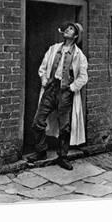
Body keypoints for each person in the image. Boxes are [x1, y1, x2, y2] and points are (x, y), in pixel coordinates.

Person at [28, 22, 88, 170]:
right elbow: (42, 67)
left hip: (65, 92)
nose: (67, 30)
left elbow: (83, 77)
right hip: (51, 89)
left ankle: (63, 156)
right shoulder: (54, 49)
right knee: (38, 121)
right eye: (67, 28)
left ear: (75, 36)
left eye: (71, 29)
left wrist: (71, 88)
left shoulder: (79, 56)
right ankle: (41, 151)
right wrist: (44, 81)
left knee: (65, 127)